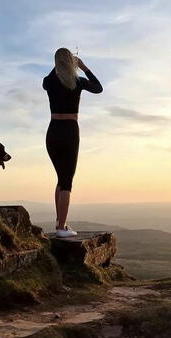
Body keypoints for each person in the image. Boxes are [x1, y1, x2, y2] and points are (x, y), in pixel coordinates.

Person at [42, 47, 103, 238]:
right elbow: (99, 88)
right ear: (72, 63)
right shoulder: (78, 81)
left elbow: (51, 77)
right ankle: (61, 228)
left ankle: (61, 223)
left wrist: (60, 64)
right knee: (67, 181)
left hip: (52, 132)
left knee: (61, 178)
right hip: (69, 131)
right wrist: (83, 67)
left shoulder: (49, 82)